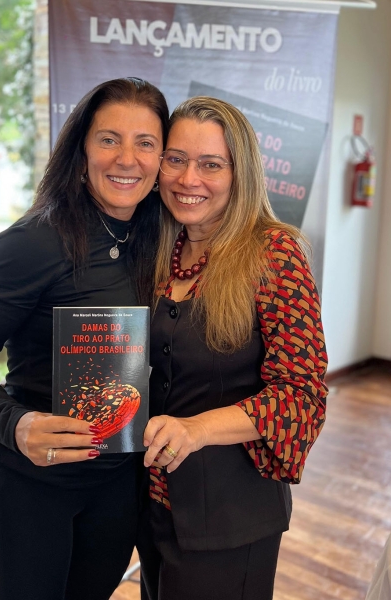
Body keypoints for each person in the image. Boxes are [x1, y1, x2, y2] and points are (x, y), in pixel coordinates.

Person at [0, 77, 169, 600]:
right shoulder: (32, 242)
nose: (127, 159)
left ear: (162, 158)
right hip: (28, 484)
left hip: (116, 485)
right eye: (109, 139)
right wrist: (12, 422)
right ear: (82, 149)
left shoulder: (162, 238)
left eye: (145, 143)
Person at [136, 97, 328, 600]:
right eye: (176, 159)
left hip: (229, 517)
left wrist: (196, 429)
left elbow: (301, 398)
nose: (188, 178)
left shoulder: (275, 255)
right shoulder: (159, 245)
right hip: (153, 505)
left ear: (240, 174)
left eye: (211, 164)